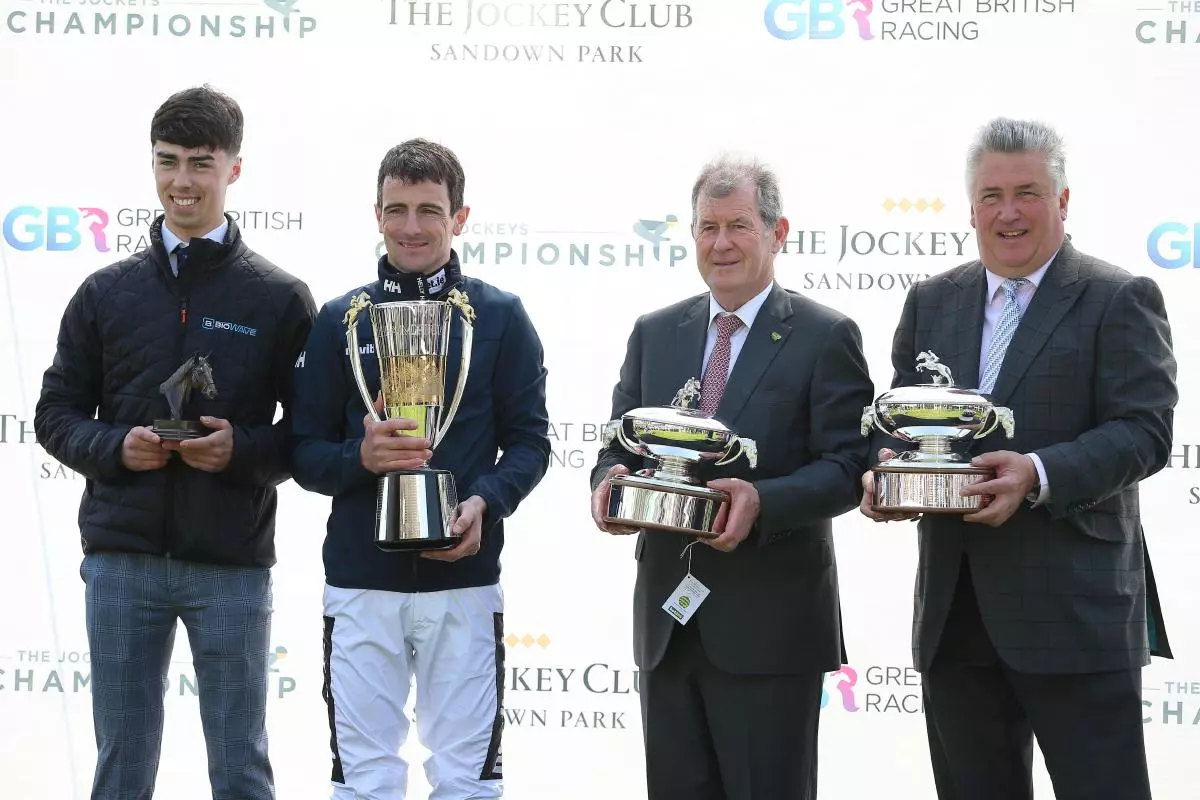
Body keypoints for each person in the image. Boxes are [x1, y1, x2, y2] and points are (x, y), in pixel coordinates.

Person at [860, 117, 1176, 800]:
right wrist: (883, 471)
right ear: (970, 206)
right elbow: (900, 419)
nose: (1008, 212)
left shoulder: (1118, 297)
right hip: (957, 613)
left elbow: (1145, 432)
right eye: (992, 195)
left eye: (1028, 192)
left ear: (1062, 201)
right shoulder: (932, 301)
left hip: (1077, 615)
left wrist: (1038, 473)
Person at [33, 84, 317, 800]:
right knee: (122, 765)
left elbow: (310, 436)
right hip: (122, 561)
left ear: (234, 169)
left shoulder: (279, 296)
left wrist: (241, 452)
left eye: (200, 162)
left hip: (230, 563)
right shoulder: (105, 292)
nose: (181, 182)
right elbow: (56, 413)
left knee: (240, 765)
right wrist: (114, 448)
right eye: (167, 161)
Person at [588, 155, 875, 799]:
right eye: (707, 227)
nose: (720, 243)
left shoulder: (825, 335)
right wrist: (608, 483)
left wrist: (762, 501)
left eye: (739, 226)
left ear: (778, 233)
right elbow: (616, 443)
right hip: (669, 624)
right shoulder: (655, 332)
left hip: (770, 631)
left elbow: (850, 466)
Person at [290, 138, 551, 800]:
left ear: (459, 217)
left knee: (467, 782)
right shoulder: (340, 319)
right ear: (375, 214)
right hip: (360, 580)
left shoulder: (498, 316)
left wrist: (484, 503)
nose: (411, 227)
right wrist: (361, 457)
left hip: (462, 578)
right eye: (397, 209)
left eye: (429, 210)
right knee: (364, 780)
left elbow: (529, 443)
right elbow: (302, 451)